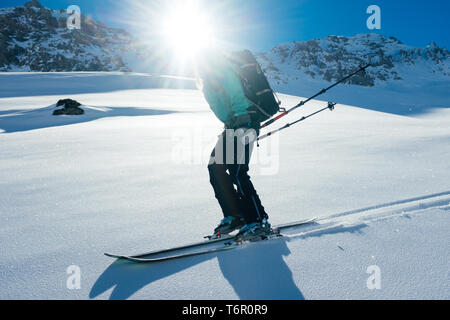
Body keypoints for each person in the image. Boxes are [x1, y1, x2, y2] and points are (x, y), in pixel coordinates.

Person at [197, 52, 271, 240]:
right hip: (231, 125)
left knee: (238, 170)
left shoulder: (221, 66)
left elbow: (236, 92)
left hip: (245, 120)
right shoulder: (205, 78)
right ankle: (235, 216)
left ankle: (257, 220)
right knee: (216, 167)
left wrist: (243, 119)